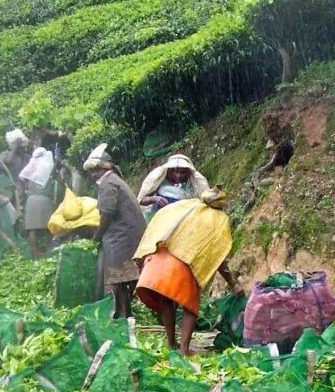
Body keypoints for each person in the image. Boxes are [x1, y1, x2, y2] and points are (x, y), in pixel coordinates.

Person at [134, 187, 243, 354]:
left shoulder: (183, 206)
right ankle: (184, 349)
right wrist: (234, 285)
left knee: (166, 303)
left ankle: (171, 344)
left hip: (157, 258)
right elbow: (218, 257)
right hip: (182, 265)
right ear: (221, 206)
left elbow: (155, 227)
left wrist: (142, 258)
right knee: (190, 307)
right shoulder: (218, 220)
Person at [82, 143, 147, 319]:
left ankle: (124, 315)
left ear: (103, 168)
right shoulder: (115, 180)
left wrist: (97, 236)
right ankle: (125, 313)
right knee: (124, 279)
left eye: (95, 170)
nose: (93, 174)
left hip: (122, 235)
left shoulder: (108, 184)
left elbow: (107, 214)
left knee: (119, 279)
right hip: (127, 233)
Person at [19, 147, 62, 259]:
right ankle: (49, 253)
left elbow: (23, 182)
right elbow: (59, 180)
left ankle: (35, 254)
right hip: (45, 199)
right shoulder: (48, 166)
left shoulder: (31, 167)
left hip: (31, 200)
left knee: (32, 230)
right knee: (49, 229)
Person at [137, 154, 209, 215]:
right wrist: (155, 199)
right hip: (161, 219)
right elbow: (141, 200)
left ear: (187, 172)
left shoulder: (193, 182)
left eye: (182, 172)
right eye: (176, 172)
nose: (179, 175)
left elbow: (206, 200)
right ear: (169, 171)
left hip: (185, 218)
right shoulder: (159, 180)